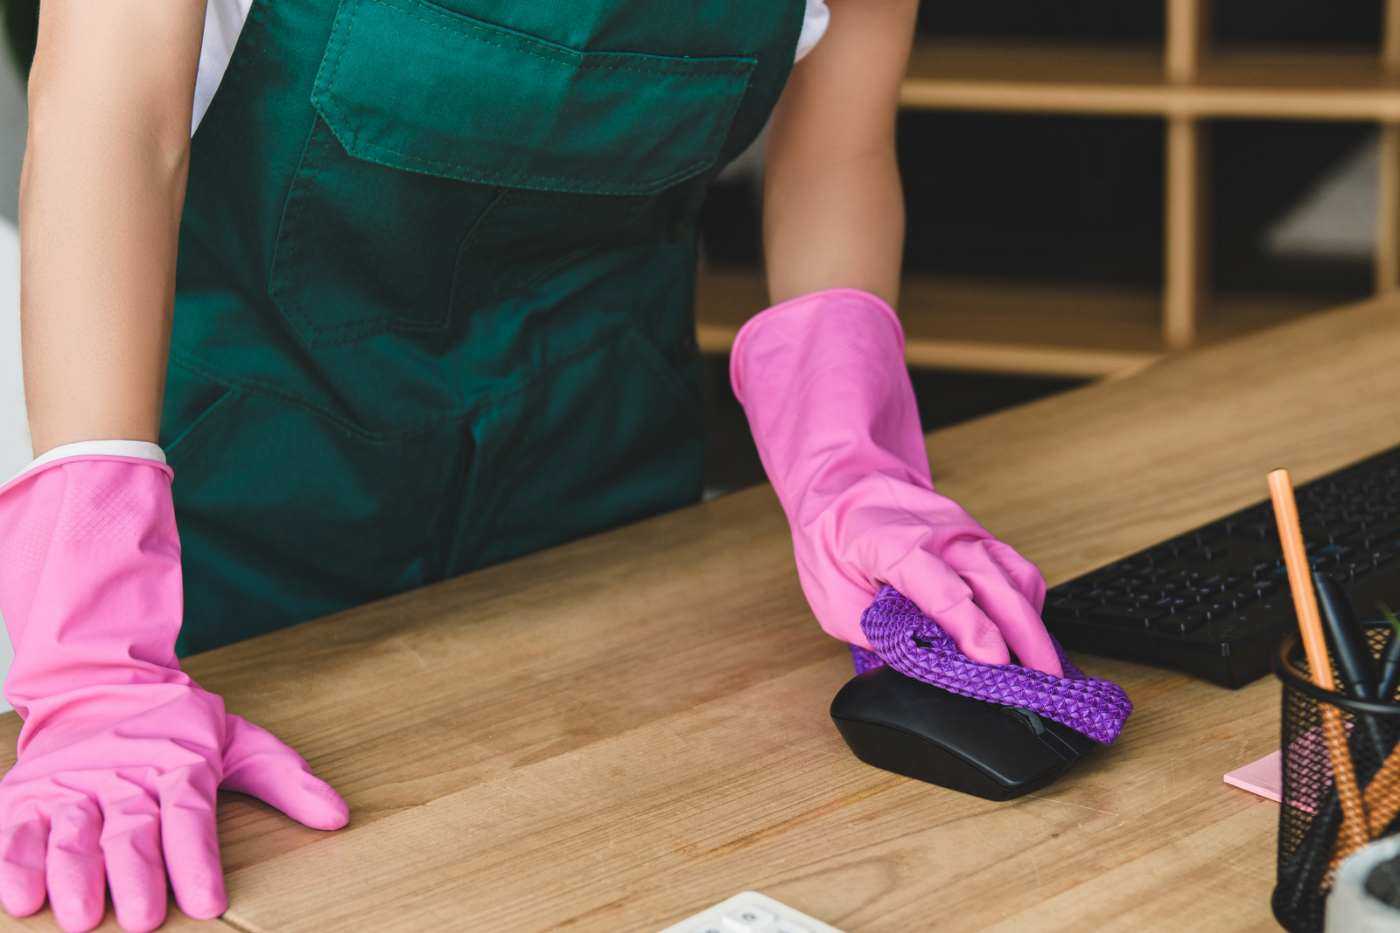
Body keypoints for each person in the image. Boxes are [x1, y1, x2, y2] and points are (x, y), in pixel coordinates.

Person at [0, 1, 1062, 929]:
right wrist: (94, 646)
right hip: (247, 489)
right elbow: (112, 122)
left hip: (603, 488)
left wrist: (851, 465)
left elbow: (835, 149)